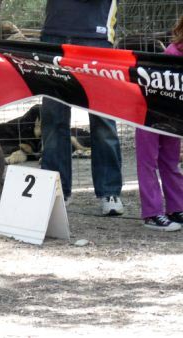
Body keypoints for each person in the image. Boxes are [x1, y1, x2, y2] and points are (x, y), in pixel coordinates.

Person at [40, 0, 124, 216]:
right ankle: (56, 192)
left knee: (103, 117)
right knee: (53, 117)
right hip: (54, 33)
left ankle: (109, 192)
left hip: (96, 37)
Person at [134, 16, 183, 232]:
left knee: (171, 161)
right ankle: (153, 213)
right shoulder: (172, 54)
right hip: (148, 113)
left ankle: (176, 208)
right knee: (148, 162)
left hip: (172, 116)